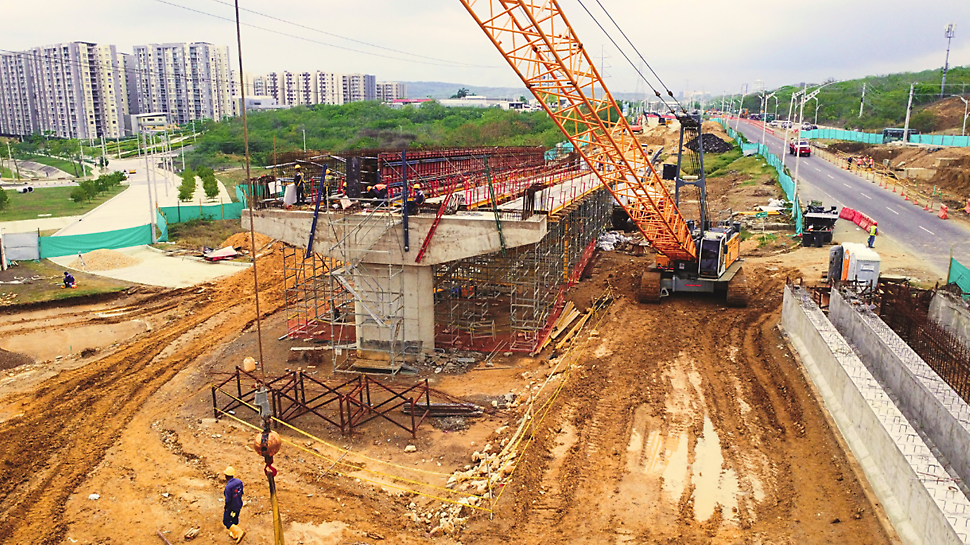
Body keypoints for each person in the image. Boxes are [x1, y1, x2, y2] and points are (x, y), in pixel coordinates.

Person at [223, 466, 245, 543]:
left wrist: (226, 508)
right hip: (239, 504)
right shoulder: (239, 482)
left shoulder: (228, 487)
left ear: (226, 476)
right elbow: (241, 492)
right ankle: (234, 534)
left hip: (232, 507)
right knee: (235, 518)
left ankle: (239, 532)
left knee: (226, 521)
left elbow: (228, 500)